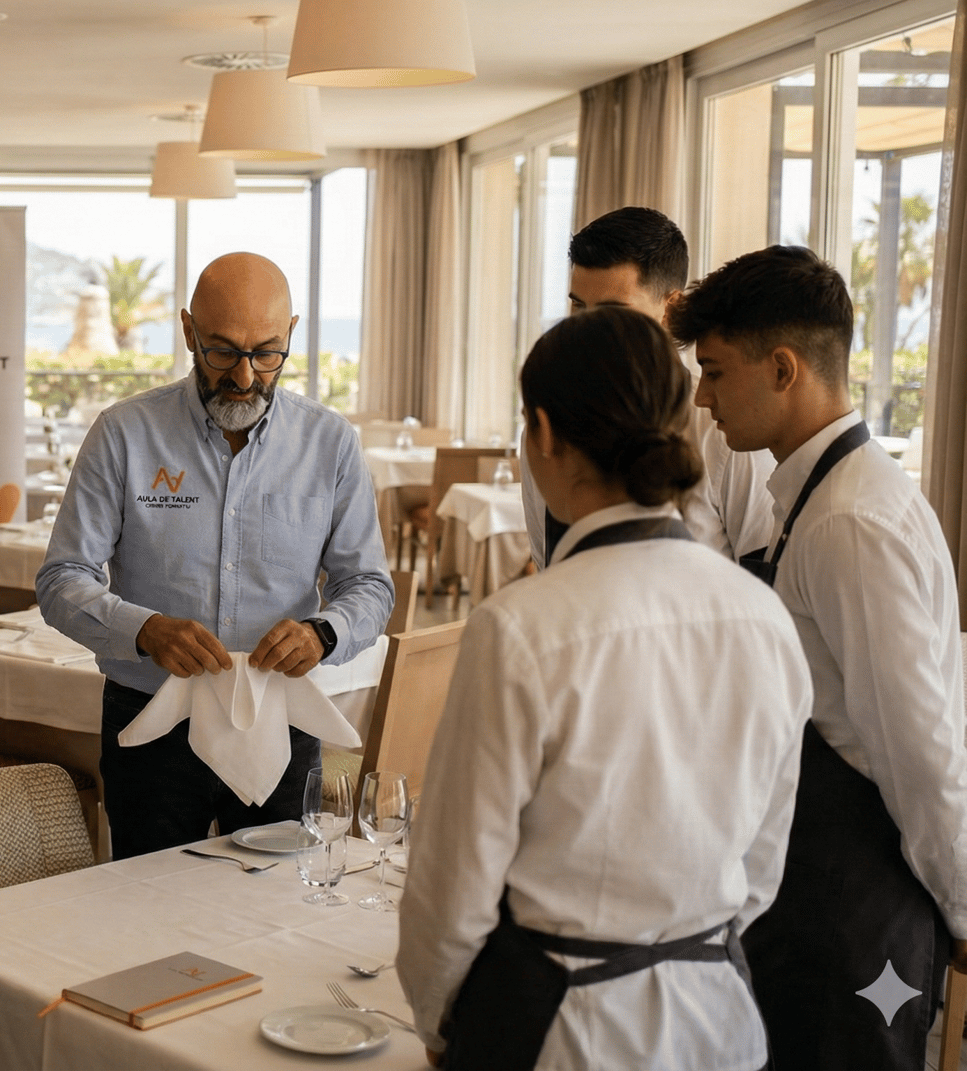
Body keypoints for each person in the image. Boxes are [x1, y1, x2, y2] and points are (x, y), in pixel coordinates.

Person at [398, 307, 812, 1071]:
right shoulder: (764, 615)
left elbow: (453, 881)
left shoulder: (519, 627)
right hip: (718, 1016)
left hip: (563, 1028)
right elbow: (762, 862)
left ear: (542, 433)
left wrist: (437, 1016)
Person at [670, 245, 967, 1071]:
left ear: (783, 368)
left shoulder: (847, 523)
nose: (703, 397)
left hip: (858, 902)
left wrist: (963, 911)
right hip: (820, 886)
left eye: (714, 372)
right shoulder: (824, 497)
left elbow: (918, 751)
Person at [35, 252, 393, 859]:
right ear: (187, 331)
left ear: (291, 335)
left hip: (280, 719)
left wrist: (323, 633)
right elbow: (62, 579)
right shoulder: (124, 434)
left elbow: (369, 585)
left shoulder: (329, 442)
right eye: (222, 352)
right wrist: (144, 629)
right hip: (150, 721)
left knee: (279, 900)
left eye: (267, 353)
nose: (245, 377)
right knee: (145, 899)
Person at [524, 206, 774, 567]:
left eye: (612, 311)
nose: (588, 329)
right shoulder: (546, 425)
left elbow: (759, 578)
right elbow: (546, 559)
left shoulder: (725, 428)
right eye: (579, 306)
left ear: (671, 310)